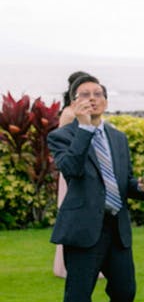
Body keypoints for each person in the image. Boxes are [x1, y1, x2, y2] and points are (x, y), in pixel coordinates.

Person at [48, 75, 144, 302]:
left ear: (106, 101)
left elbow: (122, 182)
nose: (92, 98)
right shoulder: (62, 136)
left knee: (125, 291)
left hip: (116, 227)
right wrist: (84, 129)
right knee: (78, 299)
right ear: (73, 103)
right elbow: (71, 169)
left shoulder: (118, 138)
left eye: (97, 94)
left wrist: (140, 187)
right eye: (84, 94)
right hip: (83, 230)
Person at [53, 71, 92, 278]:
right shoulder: (69, 114)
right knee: (72, 214)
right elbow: (64, 146)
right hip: (72, 170)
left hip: (88, 169)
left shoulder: (86, 113)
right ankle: (67, 265)